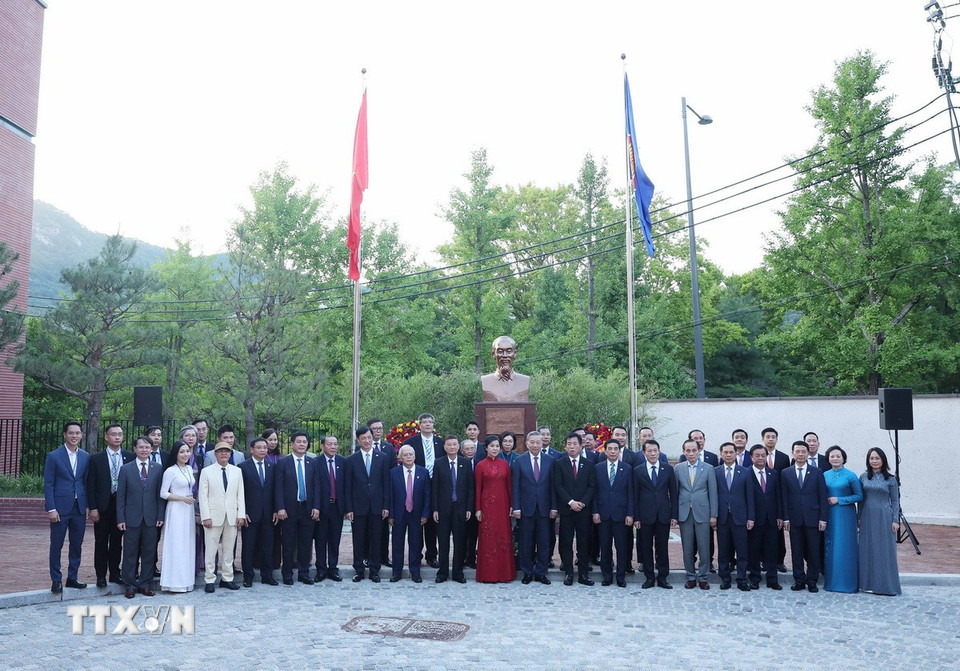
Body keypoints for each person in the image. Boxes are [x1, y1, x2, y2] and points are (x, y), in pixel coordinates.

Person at [44, 420, 91, 594]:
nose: (74, 436)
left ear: (81, 435)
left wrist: (87, 506)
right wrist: (51, 508)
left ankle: (72, 577)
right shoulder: (54, 456)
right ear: (65, 434)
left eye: (77, 433)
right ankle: (56, 580)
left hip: (79, 507)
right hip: (60, 508)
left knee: (76, 544)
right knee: (56, 545)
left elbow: (85, 482)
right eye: (71, 433)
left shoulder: (85, 456)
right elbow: (48, 484)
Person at [117, 436, 166, 598]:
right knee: (130, 552)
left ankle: (145, 583)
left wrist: (160, 515)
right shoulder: (126, 469)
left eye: (147, 447)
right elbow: (121, 496)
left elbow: (160, 494)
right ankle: (130, 585)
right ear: (135, 449)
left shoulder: (158, 468)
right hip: (131, 518)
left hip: (151, 518)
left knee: (149, 552)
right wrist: (120, 518)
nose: (144, 450)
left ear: (151, 449)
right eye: (141, 447)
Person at [86, 423, 133, 587]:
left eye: (120, 434)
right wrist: (92, 508)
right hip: (102, 506)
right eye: (113, 434)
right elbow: (90, 485)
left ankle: (114, 573)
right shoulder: (96, 458)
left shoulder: (130, 457)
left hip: (121, 506)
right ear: (106, 437)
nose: (117, 437)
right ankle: (100, 575)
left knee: (117, 542)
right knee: (101, 541)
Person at [344, 425, 390, 582]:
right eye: (363, 438)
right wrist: (349, 508)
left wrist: (386, 505)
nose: (367, 441)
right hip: (358, 507)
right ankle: (359, 570)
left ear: (373, 438)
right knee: (358, 540)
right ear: (358, 440)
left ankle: (374, 570)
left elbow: (386, 484)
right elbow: (348, 486)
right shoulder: (351, 460)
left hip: (377, 507)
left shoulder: (382, 457)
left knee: (376, 539)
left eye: (369, 437)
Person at [198, 442, 246, 592]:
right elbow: (203, 496)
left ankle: (227, 578)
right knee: (211, 549)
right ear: (215, 454)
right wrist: (205, 516)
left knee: (229, 549)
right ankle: (210, 579)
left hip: (231, 515)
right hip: (213, 516)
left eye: (226, 451)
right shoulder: (206, 472)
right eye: (220, 451)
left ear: (230, 454)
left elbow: (240, 495)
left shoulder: (237, 471)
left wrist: (241, 514)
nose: (223, 454)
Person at [781, 440, 828, 592]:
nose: (800, 454)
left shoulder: (817, 472)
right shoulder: (786, 472)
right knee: (796, 551)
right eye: (797, 451)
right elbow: (784, 497)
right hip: (794, 519)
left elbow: (822, 496)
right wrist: (786, 517)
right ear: (792, 453)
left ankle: (812, 580)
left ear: (808, 454)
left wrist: (823, 518)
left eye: (803, 452)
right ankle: (799, 580)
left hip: (813, 518)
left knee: (814, 551)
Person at [274, 431, 319, 585]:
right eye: (298, 442)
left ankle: (304, 573)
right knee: (288, 543)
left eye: (304, 442)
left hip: (307, 509)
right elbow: (278, 487)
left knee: (306, 543)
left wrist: (316, 507)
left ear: (307, 444)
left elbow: (316, 487)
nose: (301, 444)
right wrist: (280, 508)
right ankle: (287, 574)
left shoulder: (312, 463)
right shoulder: (283, 463)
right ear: (292, 444)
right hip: (288, 510)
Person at [511, 430, 556, 585]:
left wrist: (554, 507)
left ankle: (542, 572)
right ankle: (528, 572)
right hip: (525, 508)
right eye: (532, 442)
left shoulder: (550, 461)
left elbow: (553, 486)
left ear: (542, 443)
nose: (536, 445)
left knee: (544, 542)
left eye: (538, 442)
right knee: (526, 542)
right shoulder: (519, 461)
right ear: (527, 443)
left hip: (545, 508)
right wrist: (516, 507)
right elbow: (515, 486)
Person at [553, 432, 597, 587]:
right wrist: (571, 502)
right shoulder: (559, 463)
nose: (571, 447)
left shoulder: (589, 464)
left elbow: (592, 487)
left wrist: (582, 503)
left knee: (584, 543)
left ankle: (583, 574)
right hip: (567, 510)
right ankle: (569, 573)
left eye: (574, 444)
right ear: (565, 446)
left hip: (583, 511)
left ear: (581, 446)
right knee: (565, 542)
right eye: (569, 444)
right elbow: (558, 485)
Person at [633, 439, 677, 589]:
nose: (653, 453)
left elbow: (674, 493)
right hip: (644, 516)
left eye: (655, 450)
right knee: (646, 547)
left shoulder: (668, 469)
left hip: (663, 514)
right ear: (644, 453)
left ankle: (663, 577)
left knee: (662, 547)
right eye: (649, 451)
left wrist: (674, 515)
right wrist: (636, 517)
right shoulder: (638, 470)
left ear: (659, 452)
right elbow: (635, 495)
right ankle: (649, 577)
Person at [858, 447, 901, 596]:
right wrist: (859, 517)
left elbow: (895, 500)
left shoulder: (891, 479)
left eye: (877, 458)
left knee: (884, 550)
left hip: (884, 516)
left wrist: (895, 520)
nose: (874, 461)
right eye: (871, 458)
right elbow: (861, 500)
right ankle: (867, 584)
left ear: (883, 460)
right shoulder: (863, 477)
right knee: (867, 549)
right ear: (868, 461)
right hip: (867, 516)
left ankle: (886, 585)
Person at [591, 439, 634, 587]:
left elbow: (631, 493)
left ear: (619, 451)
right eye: (610, 448)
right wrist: (595, 512)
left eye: (616, 449)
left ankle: (621, 577)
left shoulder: (627, 468)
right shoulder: (597, 468)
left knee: (622, 547)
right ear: (605, 450)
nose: (613, 451)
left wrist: (630, 514)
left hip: (621, 515)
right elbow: (594, 493)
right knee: (605, 546)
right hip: (603, 514)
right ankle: (607, 576)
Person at [675, 439, 717, 590]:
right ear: (684, 451)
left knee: (704, 546)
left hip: (703, 513)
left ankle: (703, 577)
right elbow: (675, 492)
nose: (691, 453)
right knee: (687, 547)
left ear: (699, 450)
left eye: (694, 450)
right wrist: (675, 514)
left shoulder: (708, 468)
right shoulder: (678, 468)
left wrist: (714, 514)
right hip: (685, 512)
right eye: (688, 450)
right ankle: (690, 576)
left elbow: (713, 492)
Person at [433, 435, 474, 584]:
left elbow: (471, 489)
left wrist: (469, 508)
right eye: (449, 445)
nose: (452, 447)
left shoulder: (465, 463)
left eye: (455, 444)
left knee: (460, 541)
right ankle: (442, 572)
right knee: (443, 542)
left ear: (458, 447)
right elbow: (435, 488)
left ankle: (458, 572)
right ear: (444, 447)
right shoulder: (438, 463)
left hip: (461, 508)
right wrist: (435, 509)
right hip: (443, 509)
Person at [475, 435, 516, 583]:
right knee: (488, 538)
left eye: (497, 446)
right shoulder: (480, 465)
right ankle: (488, 574)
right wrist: (478, 508)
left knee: (503, 536)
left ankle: (505, 574)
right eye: (492, 446)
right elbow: (478, 488)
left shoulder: (505, 464)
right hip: (487, 506)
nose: (495, 448)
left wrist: (512, 505)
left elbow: (509, 486)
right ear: (486, 448)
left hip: (503, 504)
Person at [403, 413, 442, 568]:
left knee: (432, 523)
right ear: (419, 425)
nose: (427, 424)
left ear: (433, 424)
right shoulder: (411, 442)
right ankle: (416, 555)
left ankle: (432, 555)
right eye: (424, 422)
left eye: (430, 422)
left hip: (435, 486)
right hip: (416, 485)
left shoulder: (440, 443)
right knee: (417, 522)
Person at [822, 445, 862, 593]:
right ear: (828, 458)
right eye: (832, 456)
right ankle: (832, 582)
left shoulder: (851, 475)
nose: (835, 458)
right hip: (830, 515)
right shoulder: (824, 474)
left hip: (846, 515)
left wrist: (839, 500)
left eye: (838, 456)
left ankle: (847, 583)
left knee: (844, 546)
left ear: (843, 458)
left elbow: (859, 496)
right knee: (831, 547)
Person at [715, 442, 755, 591]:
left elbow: (750, 497)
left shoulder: (745, 472)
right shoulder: (716, 471)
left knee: (742, 551)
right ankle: (725, 578)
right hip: (722, 518)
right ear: (721, 454)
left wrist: (751, 517)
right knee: (724, 551)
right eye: (725, 452)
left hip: (740, 518)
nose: (729, 455)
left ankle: (741, 579)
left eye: (731, 452)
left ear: (735, 454)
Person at [239, 437, 278, 587]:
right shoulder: (243, 467)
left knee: (268, 545)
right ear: (252, 449)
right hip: (250, 513)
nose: (263, 450)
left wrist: (275, 509)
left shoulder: (272, 466)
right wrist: (243, 512)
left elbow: (275, 490)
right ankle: (248, 576)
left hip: (268, 514)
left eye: (265, 447)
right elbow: (240, 492)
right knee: (248, 545)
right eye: (259, 447)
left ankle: (267, 575)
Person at [388, 446, 431, 582]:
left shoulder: (423, 472)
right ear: (400, 458)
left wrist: (425, 514)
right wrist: (391, 515)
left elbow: (427, 495)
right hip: (399, 514)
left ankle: (415, 572)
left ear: (415, 456)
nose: (408, 457)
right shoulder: (393, 473)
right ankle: (396, 572)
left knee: (416, 543)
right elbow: (390, 495)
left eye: (410, 454)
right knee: (397, 543)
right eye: (405, 455)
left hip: (417, 514)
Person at [159, 442, 197, 593]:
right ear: (175, 454)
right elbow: (163, 493)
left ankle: (186, 581)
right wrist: (181, 498)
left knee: (187, 544)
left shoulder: (189, 469)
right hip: (175, 510)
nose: (185, 454)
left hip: (188, 510)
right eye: (182, 452)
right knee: (176, 544)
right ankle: (174, 582)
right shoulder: (170, 471)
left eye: (187, 451)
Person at [746, 444, 782, 590]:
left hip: (772, 519)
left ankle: (772, 579)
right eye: (757, 455)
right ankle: (754, 578)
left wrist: (780, 516)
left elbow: (778, 496)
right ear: (751, 457)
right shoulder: (745, 473)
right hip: (753, 519)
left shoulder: (774, 473)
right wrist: (749, 517)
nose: (760, 458)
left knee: (772, 550)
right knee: (753, 550)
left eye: (763, 455)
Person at [313, 434, 346, 583]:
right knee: (320, 540)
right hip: (321, 508)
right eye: (330, 444)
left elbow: (347, 487)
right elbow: (314, 487)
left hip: (337, 507)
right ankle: (321, 569)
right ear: (322, 446)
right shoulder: (315, 462)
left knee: (334, 540)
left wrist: (346, 508)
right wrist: (316, 507)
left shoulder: (343, 462)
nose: (333, 447)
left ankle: (333, 568)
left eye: (335, 444)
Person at [762, 426, 790, 573]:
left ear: (777, 439)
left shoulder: (784, 457)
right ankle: (763, 561)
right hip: (761, 499)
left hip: (777, 498)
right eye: (768, 436)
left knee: (778, 533)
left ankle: (780, 561)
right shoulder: (758, 455)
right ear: (763, 439)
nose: (770, 439)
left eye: (773, 436)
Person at [480, 335, 530, 402]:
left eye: (509, 351)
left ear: (514, 354)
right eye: (500, 351)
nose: (505, 355)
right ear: (493, 354)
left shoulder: (524, 381)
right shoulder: (485, 381)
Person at [460, 439, 480, 568]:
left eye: (472, 448)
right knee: (462, 533)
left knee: (474, 533)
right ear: (462, 451)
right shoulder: (458, 464)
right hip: (461, 503)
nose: (470, 451)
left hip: (477, 503)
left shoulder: (480, 464)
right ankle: (461, 559)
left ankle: (471, 559)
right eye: (467, 449)